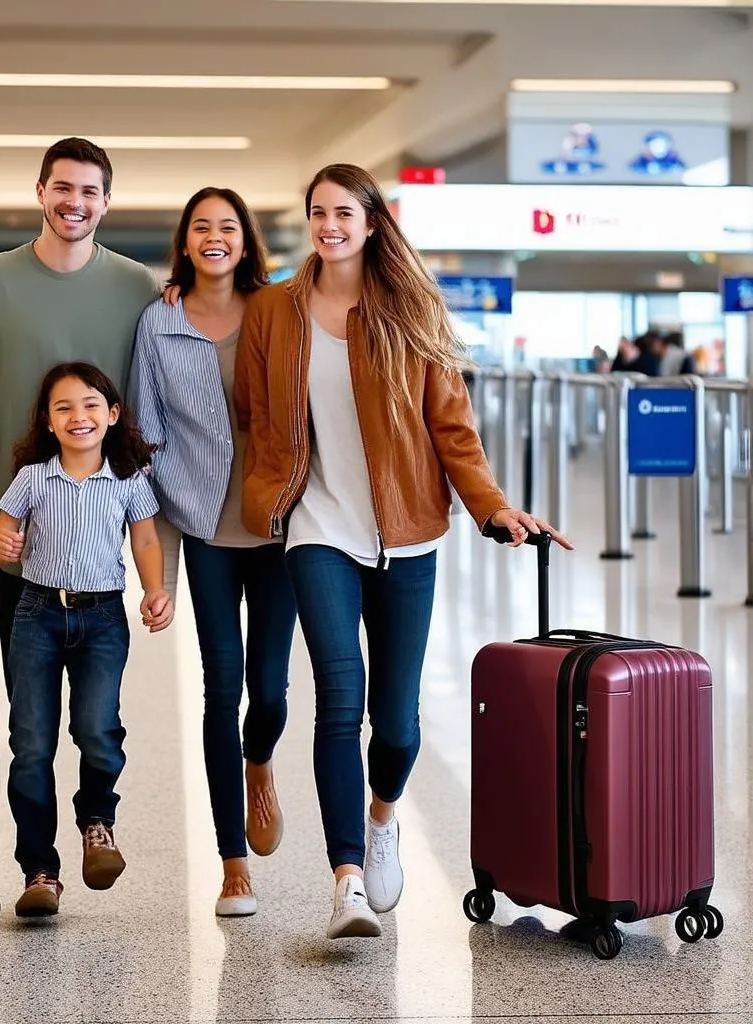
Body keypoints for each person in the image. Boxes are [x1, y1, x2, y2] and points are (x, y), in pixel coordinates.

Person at [234, 163, 572, 941]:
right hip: (315, 525)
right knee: (338, 697)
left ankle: (384, 817)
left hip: (406, 531)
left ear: (372, 221)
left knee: (396, 724)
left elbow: (452, 427)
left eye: (343, 212)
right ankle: (346, 879)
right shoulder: (275, 311)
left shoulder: (410, 309)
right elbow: (254, 415)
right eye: (317, 211)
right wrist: (268, 496)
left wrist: (490, 507)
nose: (329, 225)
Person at [0, 137, 160, 697]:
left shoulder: (136, 286)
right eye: (63, 187)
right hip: (15, 534)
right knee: (30, 718)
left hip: (100, 541)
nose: (75, 201)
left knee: (100, 722)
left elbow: (153, 398)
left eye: (89, 191)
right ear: (41, 191)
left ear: (107, 202)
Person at [129, 188, 298, 919]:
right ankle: (233, 865)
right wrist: (153, 561)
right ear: (185, 241)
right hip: (204, 527)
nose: (214, 237)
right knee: (219, 688)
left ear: (245, 240)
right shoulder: (158, 321)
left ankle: (260, 763)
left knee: (270, 691)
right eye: (202, 227)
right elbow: (141, 430)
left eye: (227, 226)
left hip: (277, 526)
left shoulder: (279, 311)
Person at [0, 361, 173, 918]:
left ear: (112, 415)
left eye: (91, 405)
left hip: (103, 620)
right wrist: (0, 543)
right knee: (32, 744)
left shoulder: (128, 478)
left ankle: (97, 822)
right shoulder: (32, 478)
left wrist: (155, 590)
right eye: (63, 407)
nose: (79, 416)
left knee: (97, 728)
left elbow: (144, 539)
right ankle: (40, 869)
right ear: (47, 421)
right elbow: (0, 530)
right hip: (38, 614)